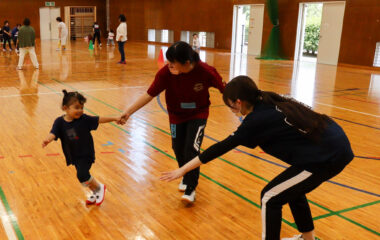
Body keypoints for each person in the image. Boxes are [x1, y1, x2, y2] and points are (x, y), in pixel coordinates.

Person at [161, 75, 354, 240]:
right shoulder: (266, 100)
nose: (232, 110)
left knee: (270, 197)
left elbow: (220, 148)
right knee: (291, 191)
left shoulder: (256, 121)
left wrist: (183, 169)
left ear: (238, 102)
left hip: (326, 156)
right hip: (334, 144)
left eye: (231, 106)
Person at [119, 41, 225, 204]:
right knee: (177, 147)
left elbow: (225, 89)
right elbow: (149, 94)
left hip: (198, 113)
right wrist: (128, 112)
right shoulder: (165, 74)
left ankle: (191, 188)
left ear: (187, 63)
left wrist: (241, 106)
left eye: (173, 63)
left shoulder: (206, 71)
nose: (169, 65)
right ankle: (184, 172)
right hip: (176, 115)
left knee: (192, 148)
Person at [42, 90, 121, 206]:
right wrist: (48, 139)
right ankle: (94, 192)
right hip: (74, 155)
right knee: (82, 177)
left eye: (82, 107)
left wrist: (115, 118)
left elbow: (99, 119)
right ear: (65, 108)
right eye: (76, 107)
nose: (80, 110)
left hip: (86, 153)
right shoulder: (59, 122)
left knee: (82, 174)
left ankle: (99, 188)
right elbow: (53, 132)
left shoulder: (84, 119)